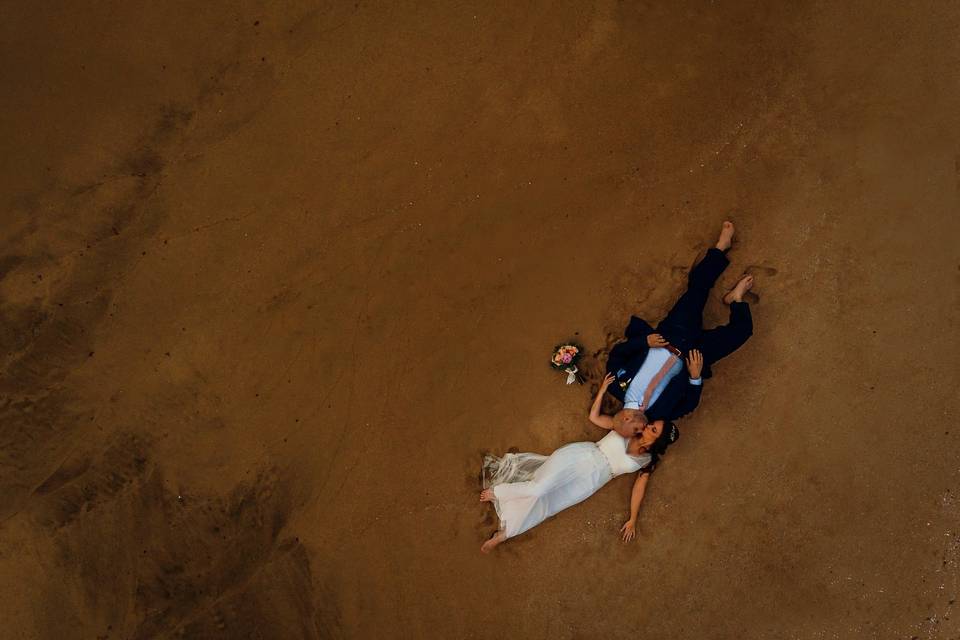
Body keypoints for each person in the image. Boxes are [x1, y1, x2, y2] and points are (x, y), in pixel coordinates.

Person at [479, 374, 678, 553]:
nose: (649, 425)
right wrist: (602, 390)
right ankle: (499, 492)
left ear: (656, 441)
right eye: (653, 424)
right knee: (539, 489)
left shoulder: (647, 460)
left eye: (653, 429)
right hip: (580, 456)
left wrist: (633, 519)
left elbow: (639, 489)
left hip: (592, 481)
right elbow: (595, 417)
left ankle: (505, 533)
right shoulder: (629, 427)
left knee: (549, 504)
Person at [604, 221, 753, 433]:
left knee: (697, 291)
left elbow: (618, 354)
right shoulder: (660, 416)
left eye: (637, 430)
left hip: (670, 335)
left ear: (627, 418)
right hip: (695, 356)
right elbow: (689, 404)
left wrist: (645, 341)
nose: (642, 430)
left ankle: (720, 248)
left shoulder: (614, 385)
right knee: (742, 332)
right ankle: (736, 299)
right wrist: (695, 376)